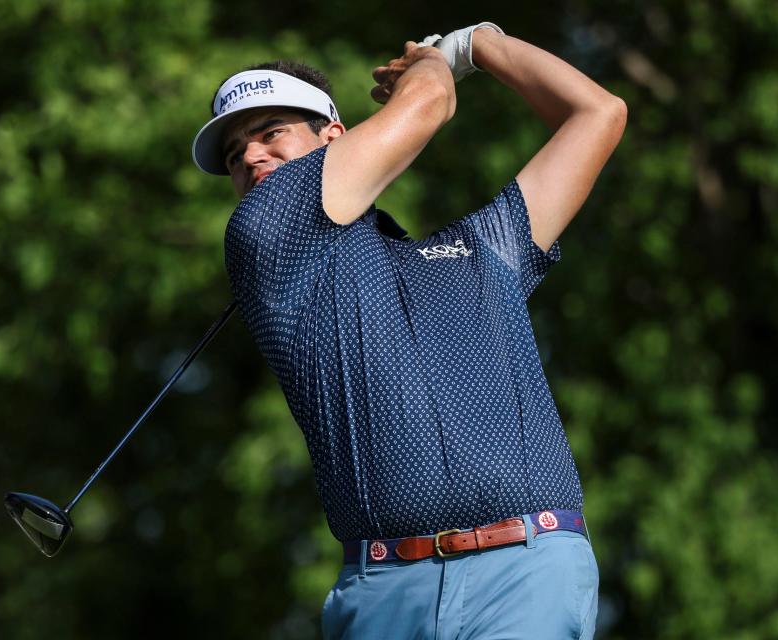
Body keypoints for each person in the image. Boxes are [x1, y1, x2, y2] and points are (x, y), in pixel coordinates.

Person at [192, 21, 626, 640]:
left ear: (333, 138)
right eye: (235, 156)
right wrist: (433, 61)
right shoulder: (264, 234)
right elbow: (428, 103)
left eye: (270, 135)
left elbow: (598, 114)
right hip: (383, 593)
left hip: (527, 573)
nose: (251, 158)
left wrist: (481, 43)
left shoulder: (482, 254)